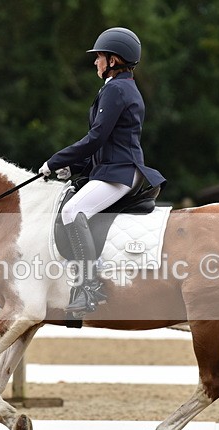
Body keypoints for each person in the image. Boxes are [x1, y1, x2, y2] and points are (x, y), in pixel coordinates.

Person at [39, 27, 166, 317]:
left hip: (120, 173)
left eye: (99, 57)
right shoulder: (119, 87)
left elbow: (96, 138)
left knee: (72, 211)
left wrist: (55, 161)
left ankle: (89, 286)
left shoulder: (116, 89)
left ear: (113, 60)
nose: (95, 62)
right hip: (114, 168)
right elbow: (107, 144)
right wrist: (74, 167)